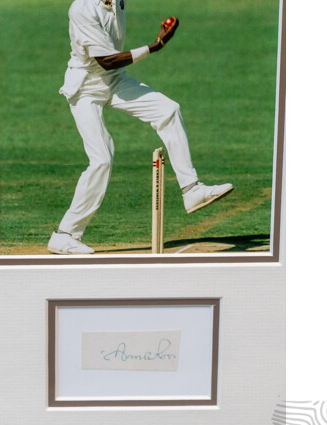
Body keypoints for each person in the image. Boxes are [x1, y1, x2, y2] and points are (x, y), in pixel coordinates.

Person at [48, 1, 233, 255]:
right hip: (85, 88)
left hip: (115, 81)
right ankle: (65, 234)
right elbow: (106, 60)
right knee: (101, 159)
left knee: (169, 110)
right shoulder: (81, 9)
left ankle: (191, 190)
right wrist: (155, 46)